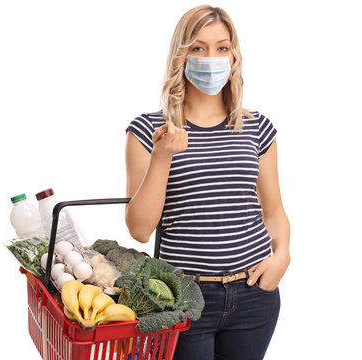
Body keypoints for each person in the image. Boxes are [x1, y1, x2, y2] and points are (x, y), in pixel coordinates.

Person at [124, 5, 290, 360]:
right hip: (182, 298)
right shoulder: (147, 131)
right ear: (181, 56)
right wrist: (163, 155)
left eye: (222, 47)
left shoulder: (257, 127)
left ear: (234, 56)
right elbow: (139, 228)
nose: (210, 57)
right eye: (198, 48)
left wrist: (282, 257)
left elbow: (274, 211)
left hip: (253, 296)